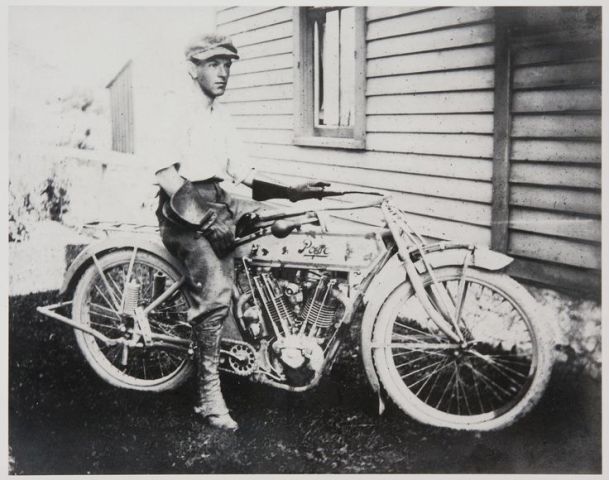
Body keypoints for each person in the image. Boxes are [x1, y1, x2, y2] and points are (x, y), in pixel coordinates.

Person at [151, 33, 329, 431]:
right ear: (192, 68)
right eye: (214, 64)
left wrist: (290, 193)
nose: (223, 73)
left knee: (292, 223)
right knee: (216, 292)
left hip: (219, 198)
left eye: (227, 65)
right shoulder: (175, 110)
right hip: (182, 210)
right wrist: (205, 221)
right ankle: (207, 397)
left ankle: (279, 331)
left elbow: (244, 174)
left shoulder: (222, 116)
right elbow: (166, 176)